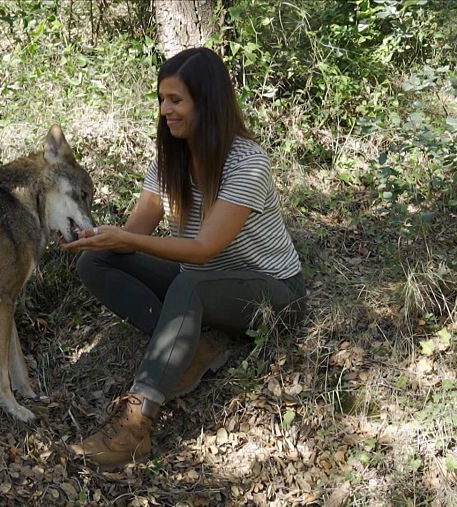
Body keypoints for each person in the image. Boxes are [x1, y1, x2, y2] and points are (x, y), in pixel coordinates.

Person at [62, 47, 307, 468]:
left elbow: (204, 249)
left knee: (189, 282)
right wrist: (100, 237)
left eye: (176, 100)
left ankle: (136, 426)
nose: (165, 111)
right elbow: (136, 233)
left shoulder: (247, 163)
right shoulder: (169, 159)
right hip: (201, 282)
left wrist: (128, 239)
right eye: (162, 99)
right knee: (95, 263)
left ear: (206, 102)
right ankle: (193, 343)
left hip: (271, 294)